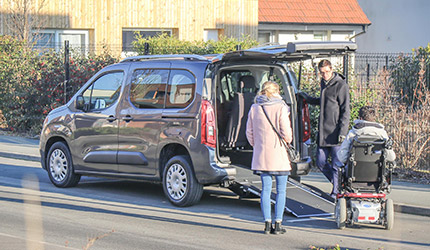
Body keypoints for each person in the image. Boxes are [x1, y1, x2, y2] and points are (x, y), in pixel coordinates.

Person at [246, 81, 293, 235]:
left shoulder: (255, 108)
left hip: (261, 155)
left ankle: (266, 223)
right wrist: (288, 141)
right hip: (278, 154)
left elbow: (249, 132)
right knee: (281, 191)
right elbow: (286, 134)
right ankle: (278, 224)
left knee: (265, 190)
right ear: (276, 91)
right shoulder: (281, 107)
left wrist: (257, 146)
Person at [299, 59, 350, 198]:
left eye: (327, 72)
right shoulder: (324, 84)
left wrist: (343, 132)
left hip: (336, 132)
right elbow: (324, 102)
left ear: (332, 70)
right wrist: (307, 98)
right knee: (321, 162)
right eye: (322, 73)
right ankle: (339, 185)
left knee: (336, 165)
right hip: (323, 133)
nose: (325, 75)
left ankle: (336, 192)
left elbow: (346, 111)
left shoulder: (341, 85)